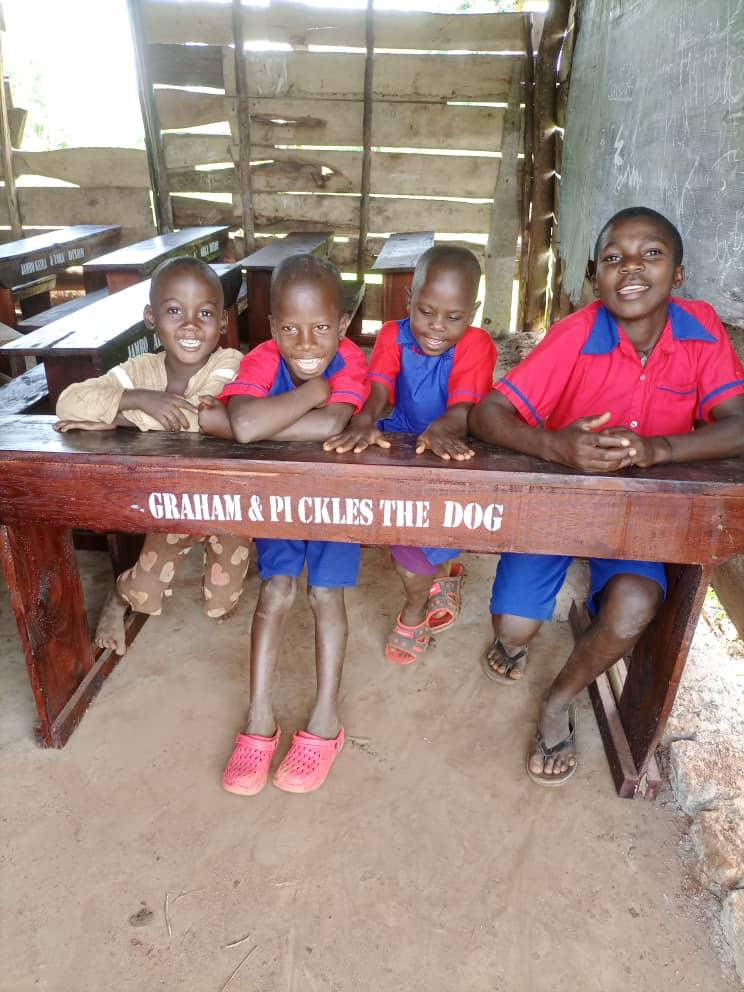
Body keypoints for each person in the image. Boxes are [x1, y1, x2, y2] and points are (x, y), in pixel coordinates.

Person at [469, 206, 744, 786]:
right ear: (595, 277)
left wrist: (659, 449)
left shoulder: (700, 330)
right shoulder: (576, 333)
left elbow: (739, 424)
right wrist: (555, 446)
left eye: (652, 254)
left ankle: (559, 699)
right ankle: (524, 638)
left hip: (638, 516)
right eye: (614, 258)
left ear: (679, 273)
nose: (632, 268)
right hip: (560, 503)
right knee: (512, 629)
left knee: (636, 603)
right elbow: (487, 415)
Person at [199, 254, 369, 795]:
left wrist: (232, 424)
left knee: (325, 595)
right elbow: (249, 425)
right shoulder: (263, 357)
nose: (307, 343)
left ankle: (325, 721)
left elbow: (329, 425)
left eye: (322, 328)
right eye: (290, 329)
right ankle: (259, 718)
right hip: (278, 498)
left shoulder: (352, 360)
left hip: (338, 499)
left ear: (343, 323)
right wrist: (314, 394)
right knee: (274, 592)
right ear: (272, 327)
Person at [54, 256, 249, 654]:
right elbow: (68, 402)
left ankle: (221, 586)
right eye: (174, 311)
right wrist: (138, 397)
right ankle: (118, 598)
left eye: (205, 313)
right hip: (171, 501)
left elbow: (197, 419)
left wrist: (118, 417)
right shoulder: (141, 371)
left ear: (223, 322)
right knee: (144, 589)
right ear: (151, 318)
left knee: (221, 601)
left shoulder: (230, 362)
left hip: (228, 501)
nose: (190, 325)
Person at [324, 245, 496, 665]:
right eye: (426, 311)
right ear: (408, 300)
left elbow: (463, 407)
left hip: (453, 439)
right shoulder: (391, 334)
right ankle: (440, 575)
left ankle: (416, 605)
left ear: (472, 313)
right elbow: (380, 385)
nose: (437, 326)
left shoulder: (477, 344)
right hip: (402, 435)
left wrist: (443, 428)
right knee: (401, 516)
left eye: (453, 317)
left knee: (436, 520)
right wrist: (365, 418)